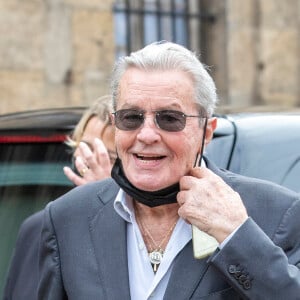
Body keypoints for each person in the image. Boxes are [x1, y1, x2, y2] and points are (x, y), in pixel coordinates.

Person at [37, 42, 300, 299]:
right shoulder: (66, 218)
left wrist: (236, 235)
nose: (147, 135)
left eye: (170, 119)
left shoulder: (278, 214)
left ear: (206, 132)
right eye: (131, 117)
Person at [3, 96, 116, 300]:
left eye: (110, 157)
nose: (90, 162)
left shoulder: (137, 234)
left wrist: (105, 200)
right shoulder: (37, 227)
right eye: (86, 149)